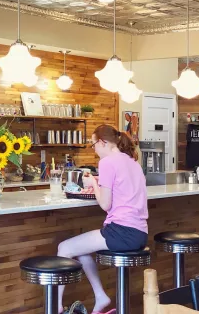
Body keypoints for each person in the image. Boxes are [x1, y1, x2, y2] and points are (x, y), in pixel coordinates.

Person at [57, 125, 148, 314]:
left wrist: (93, 184)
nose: (95, 150)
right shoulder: (133, 162)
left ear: (102, 142)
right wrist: (99, 182)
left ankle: (56, 307)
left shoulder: (107, 162)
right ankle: (100, 296)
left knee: (64, 248)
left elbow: (105, 204)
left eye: (93, 145)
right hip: (139, 233)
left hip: (121, 232)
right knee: (80, 250)